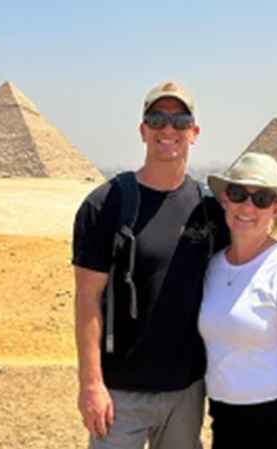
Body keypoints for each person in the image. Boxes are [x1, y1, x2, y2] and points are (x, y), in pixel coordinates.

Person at [72, 81, 227, 449]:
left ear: (195, 132)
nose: (168, 130)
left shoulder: (211, 210)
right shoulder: (105, 205)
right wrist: (91, 384)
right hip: (120, 393)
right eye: (157, 119)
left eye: (180, 120)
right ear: (143, 130)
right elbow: (86, 298)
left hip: (186, 390)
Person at [199, 152, 277, 449]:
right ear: (224, 201)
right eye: (238, 193)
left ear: (276, 209)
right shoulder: (213, 267)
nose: (247, 206)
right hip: (228, 420)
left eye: (262, 199)